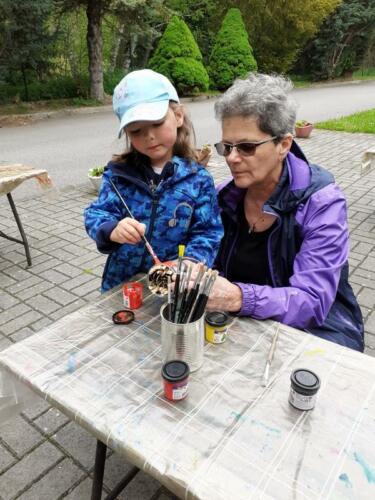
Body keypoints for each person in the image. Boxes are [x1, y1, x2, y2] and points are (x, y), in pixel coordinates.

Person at [207, 72, 364, 352]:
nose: (232, 158)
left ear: (284, 144)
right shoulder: (224, 197)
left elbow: (313, 301)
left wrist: (239, 298)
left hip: (317, 333)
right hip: (244, 330)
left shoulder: (322, 203)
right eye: (226, 146)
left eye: (246, 147)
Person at [84, 69, 223, 291]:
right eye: (137, 130)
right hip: (123, 284)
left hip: (176, 285)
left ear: (178, 116)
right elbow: (97, 213)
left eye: (157, 123)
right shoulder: (119, 175)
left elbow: (208, 232)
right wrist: (112, 229)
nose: (149, 136)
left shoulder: (198, 180)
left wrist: (189, 264)